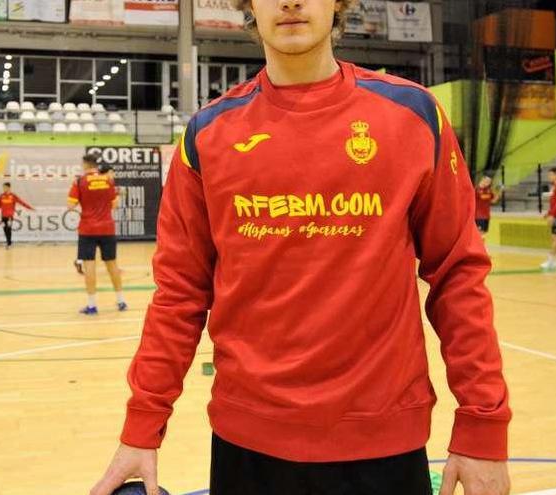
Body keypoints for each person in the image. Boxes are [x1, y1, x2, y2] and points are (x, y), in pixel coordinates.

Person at [90, 1, 511, 495]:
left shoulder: (413, 116)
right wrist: (141, 426)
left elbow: (457, 273)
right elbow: (179, 293)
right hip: (248, 445)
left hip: (383, 444)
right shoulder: (207, 135)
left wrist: (483, 426)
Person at [68, 152, 127, 315]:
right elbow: (114, 205)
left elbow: (70, 205)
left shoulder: (79, 181)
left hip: (87, 229)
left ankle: (92, 305)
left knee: (89, 266)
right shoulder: (108, 180)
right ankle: (121, 301)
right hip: (107, 228)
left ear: (85, 164)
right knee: (112, 264)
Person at [0, 182, 33, 248]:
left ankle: (9, 244)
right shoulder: (1, 196)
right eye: (3, 187)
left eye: (5, 187)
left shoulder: (13, 196)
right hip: (3, 216)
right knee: (4, 228)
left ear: (9, 188)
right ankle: (9, 242)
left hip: (10, 216)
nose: (4, 188)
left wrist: (30, 208)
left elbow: (22, 202)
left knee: (8, 228)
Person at [475, 175, 501, 241]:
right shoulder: (476, 190)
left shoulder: (489, 190)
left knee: (484, 233)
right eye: (487, 181)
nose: (488, 183)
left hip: (486, 216)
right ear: (482, 180)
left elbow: (493, 201)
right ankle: (479, 249)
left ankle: (482, 248)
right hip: (478, 216)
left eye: (489, 182)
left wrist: (498, 194)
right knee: (479, 233)